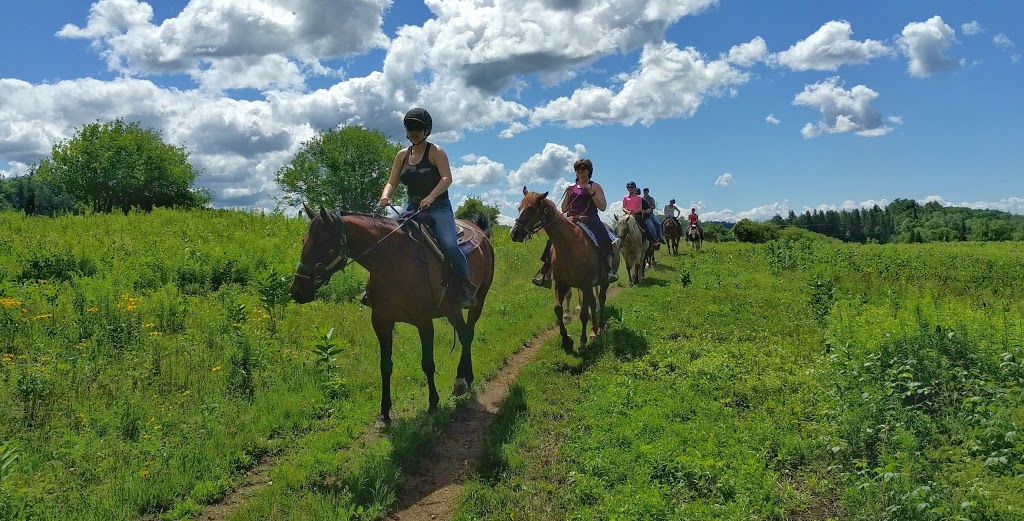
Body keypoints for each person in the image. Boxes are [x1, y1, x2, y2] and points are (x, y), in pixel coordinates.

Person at [378, 107, 476, 308]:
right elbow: (392, 182)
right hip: (412, 206)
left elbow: (447, 178)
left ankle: (464, 288)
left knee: (449, 244)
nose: (413, 132)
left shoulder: (436, 152)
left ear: (426, 130)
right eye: (410, 127)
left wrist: (431, 197)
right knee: (387, 238)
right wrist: (385, 195)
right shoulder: (402, 155)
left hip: (438, 206)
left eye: (418, 128)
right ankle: (380, 287)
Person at [531, 158, 617, 288]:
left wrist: (591, 193)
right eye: (577, 169)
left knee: (603, 237)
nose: (580, 171)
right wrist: (567, 194)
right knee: (553, 241)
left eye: (583, 168)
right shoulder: (572, 187)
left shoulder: (595, 186)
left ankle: (608, 269)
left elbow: (603, 207)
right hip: (572, 220)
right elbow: (564, 209)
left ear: (589, 170)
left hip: (590, 219)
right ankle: (546, 273)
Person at [623, 182, 660, 247]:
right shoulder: (625, 197)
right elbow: (623, 207)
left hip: (637, 215)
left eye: (632, 187)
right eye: (629, 187)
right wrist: (628, 212)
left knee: (646, 226)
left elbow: (641, 208)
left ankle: (653, 241)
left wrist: (635, 212)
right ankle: (618, 240)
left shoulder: (640, 198)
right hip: (628, 215)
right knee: (620, 225)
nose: (630, 188)